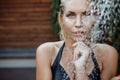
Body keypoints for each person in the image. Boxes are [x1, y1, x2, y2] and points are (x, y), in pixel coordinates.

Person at [36, 0, 118, 80]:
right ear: (61, 19)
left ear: (95, 18)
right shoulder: (46, 52)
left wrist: (81, 70)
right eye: (71, 15)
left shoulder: (107, 54)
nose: (78, 24)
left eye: (86, 14)